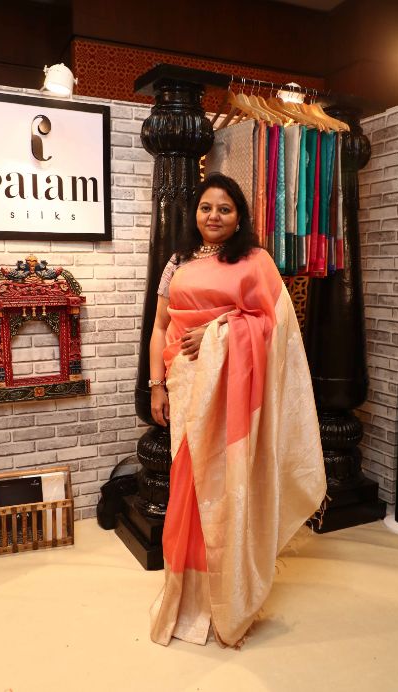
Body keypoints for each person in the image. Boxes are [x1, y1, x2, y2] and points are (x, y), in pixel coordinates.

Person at [149, 172, 326, 648]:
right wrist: (156, 386)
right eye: (206, 207)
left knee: (228, 487)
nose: (214, 216)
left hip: (234, 395)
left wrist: (220, 330)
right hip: (187, 385)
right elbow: (160, 327)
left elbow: (276, 326)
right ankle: (187, 596)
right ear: (195, 213)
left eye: (225, 209)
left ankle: (228, 596)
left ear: (239, 216)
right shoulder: (177, 262)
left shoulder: (255, 262)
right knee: (189, 486)